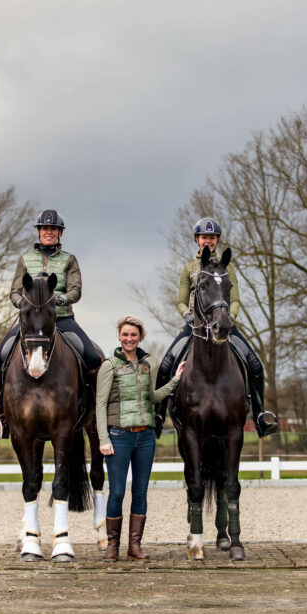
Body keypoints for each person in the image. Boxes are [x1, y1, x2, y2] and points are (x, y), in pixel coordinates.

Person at [0, 209, 103, 439]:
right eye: (45, 229)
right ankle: (0, 417)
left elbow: (75, 290)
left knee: (92, 359)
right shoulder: (25, 259)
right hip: (30, 322)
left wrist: (63, 298)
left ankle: (96, 416)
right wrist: (23, 304)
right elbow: (14, 292)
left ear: (60, 233)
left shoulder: (69, 260)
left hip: (62, 319)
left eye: (53, 229)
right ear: (39, 232)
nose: (49, 233)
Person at [154, 217, 279, 437]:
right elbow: (181, 300)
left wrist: (229, 317)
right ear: (197, 240)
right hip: (196, 325)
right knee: (165, 366)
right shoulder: (189, 268)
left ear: (217, 240)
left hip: (223, 324)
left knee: (256, 365)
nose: (208, 241)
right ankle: (158, 415)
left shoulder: (226, 266)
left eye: (212, 237)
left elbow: (236, 299)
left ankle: (260, 415)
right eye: (204, 237)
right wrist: (187, 316)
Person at [96, 315, 183, 561]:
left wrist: (175, 381)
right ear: (119, 336)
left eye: (133, 335)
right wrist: (104, 438)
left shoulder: (146, 365)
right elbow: (100, 403)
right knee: (116, 493)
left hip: (145, 437)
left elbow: (152, 398)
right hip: (118, 436)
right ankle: (113, 546)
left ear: (140, 337)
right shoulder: (109, 365)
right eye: (125, 334)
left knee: (141, 492)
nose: (129, 339)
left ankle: (134, 546)